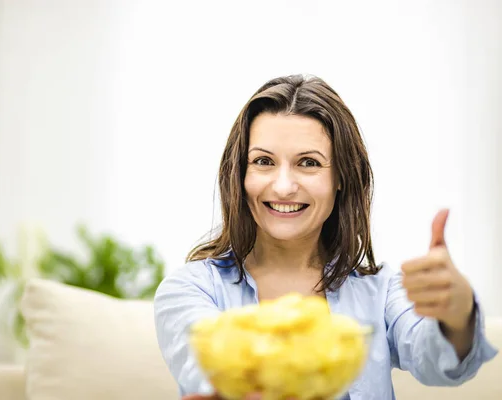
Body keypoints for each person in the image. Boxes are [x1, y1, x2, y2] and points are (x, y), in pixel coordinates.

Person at [154, 75, 498, 400]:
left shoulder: (382, 291)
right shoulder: (189, 290)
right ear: (240, 175)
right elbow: (212, 371)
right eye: (263, 161)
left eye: (308, 162)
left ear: (341, 178)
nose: (284, 186)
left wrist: (458, 313)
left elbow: (437, 361)